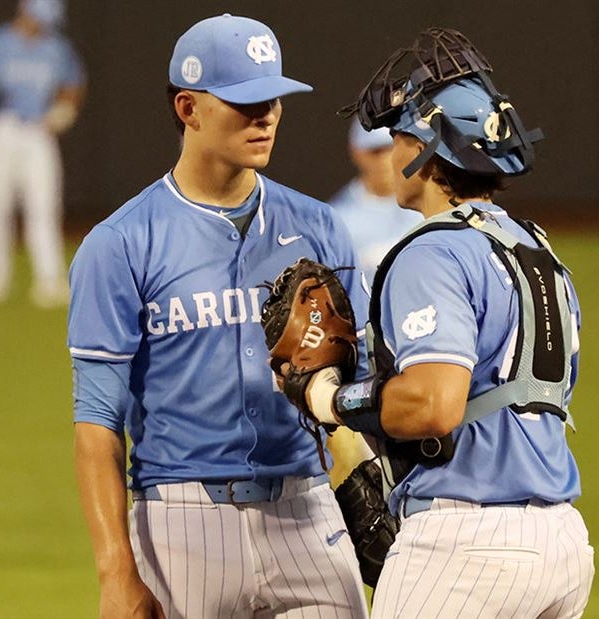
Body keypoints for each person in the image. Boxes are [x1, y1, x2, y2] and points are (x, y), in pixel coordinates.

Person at [68, 14, 371, 619]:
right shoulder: (122, 242)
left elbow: (352, 384)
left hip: (306, 511)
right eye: (246, 101)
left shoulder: (320, 227)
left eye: (274, 100)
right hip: (183, 523)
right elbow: (98, 420)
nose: (266, 117)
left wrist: (369, 487)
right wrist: (115, 572)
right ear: (188, 108)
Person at [292, 29, 595, 616]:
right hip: (562, 543)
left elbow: (434, 405)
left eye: (401, 132)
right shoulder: (532, 247)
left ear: (433, 148)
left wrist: (330, 398)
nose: (394, 148)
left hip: (469, 552)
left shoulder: (433, 250)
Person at [0, 0, 86, 308]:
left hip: (38, 130)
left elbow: (74, 84)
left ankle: (49, 279)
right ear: (25, 11)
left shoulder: (56, 47)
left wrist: (61, 114)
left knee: (44, 205)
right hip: (4, 127)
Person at [328, 120, 422, 281]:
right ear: (356, 153)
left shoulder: (427, 203)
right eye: (375, 151)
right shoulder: (335, 221)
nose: (385, 160)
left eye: (390, 148)